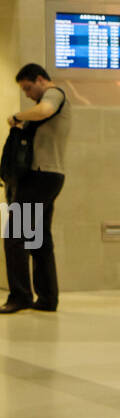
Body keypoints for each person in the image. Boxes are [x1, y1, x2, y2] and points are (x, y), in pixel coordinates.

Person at [1, 63, 70, 314]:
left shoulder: (54, 94)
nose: (28, 94)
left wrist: (18, 116)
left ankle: (20, 296)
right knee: (38, 239)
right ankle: (47, 298)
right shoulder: (45, 102)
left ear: (41, 79)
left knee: (14, 236)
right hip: (50, 176)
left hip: (40, 176)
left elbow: (45, 110)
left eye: (29, 88)